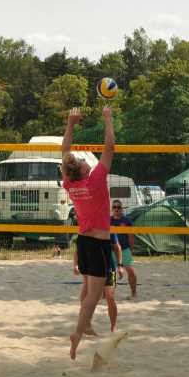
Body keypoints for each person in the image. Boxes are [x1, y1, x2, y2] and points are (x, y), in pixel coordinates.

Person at [63, 105, 115, 360]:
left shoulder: (70, 183)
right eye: (83, 161)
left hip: (83, 242)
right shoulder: (94, 180)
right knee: (94, 295)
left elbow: (65, 153)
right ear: (84, 170)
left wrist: (70, 125)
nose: (85, 160)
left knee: (89, 291)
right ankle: (78, 332)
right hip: (97, 244)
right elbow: (110, 147)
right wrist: (107, 118)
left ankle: (81, 329)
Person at [110, 200, 137, 298]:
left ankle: (133, 293)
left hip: (124, 249)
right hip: (112, 250)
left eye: (118, 207)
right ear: (112, 209)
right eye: (114, 207)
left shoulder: (127, 221)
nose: (116, 209)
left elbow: (131, 236)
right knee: (110, 272)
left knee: (131, 271)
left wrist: (131, 249)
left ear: (122, 209)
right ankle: (108, 294)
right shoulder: (108, 220)